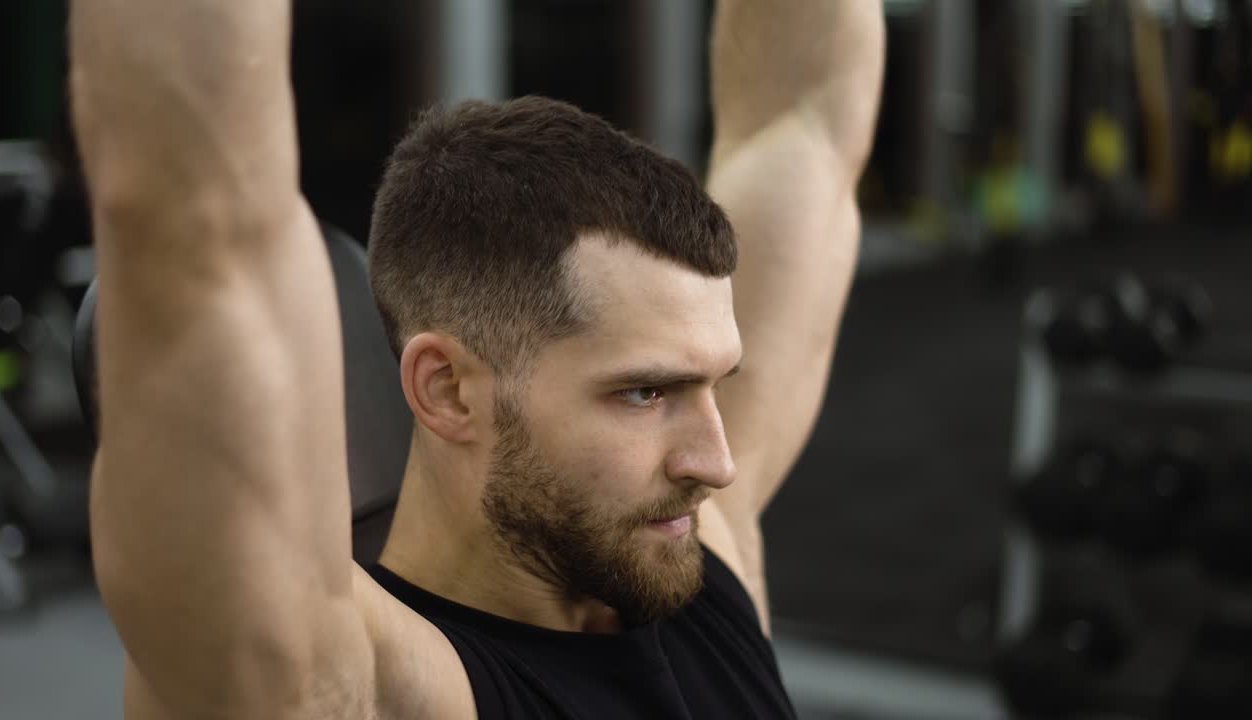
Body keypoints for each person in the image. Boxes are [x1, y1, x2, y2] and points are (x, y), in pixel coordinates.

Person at [70, 0, 883, 717]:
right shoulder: (362, 688)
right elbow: (188, 222)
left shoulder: (699, 566)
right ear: (448, 388)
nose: (718, 462)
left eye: (714, 383)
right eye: (644, 393)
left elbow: (803, 121)